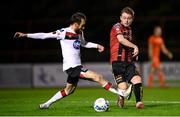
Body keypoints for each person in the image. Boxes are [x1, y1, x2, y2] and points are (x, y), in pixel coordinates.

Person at [14, 12, 130, 109]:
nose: (84, 27)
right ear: (75, 24)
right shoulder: (63, 32)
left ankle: (46, 104)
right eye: (82, 25)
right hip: (72, 67)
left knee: (69, 90)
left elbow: (83, 43)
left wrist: (96, 45)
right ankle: (121, 93)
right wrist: (25, 35)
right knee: (98, 77)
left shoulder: (80, 33)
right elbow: (44, 35)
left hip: (76, 66)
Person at [110, 7, 144, 109]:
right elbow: (121, 40)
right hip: (117, 63)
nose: (126, 20)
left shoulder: (129, 30)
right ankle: (121, 96)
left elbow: (126, 46)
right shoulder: (117, 26)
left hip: (128, 62)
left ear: (132, 19)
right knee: (123, 88)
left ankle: (138, 102)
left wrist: (133, 53)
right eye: (124, 18)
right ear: (120, 18)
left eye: (129, 18)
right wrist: (135, 46)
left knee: (137, 79)